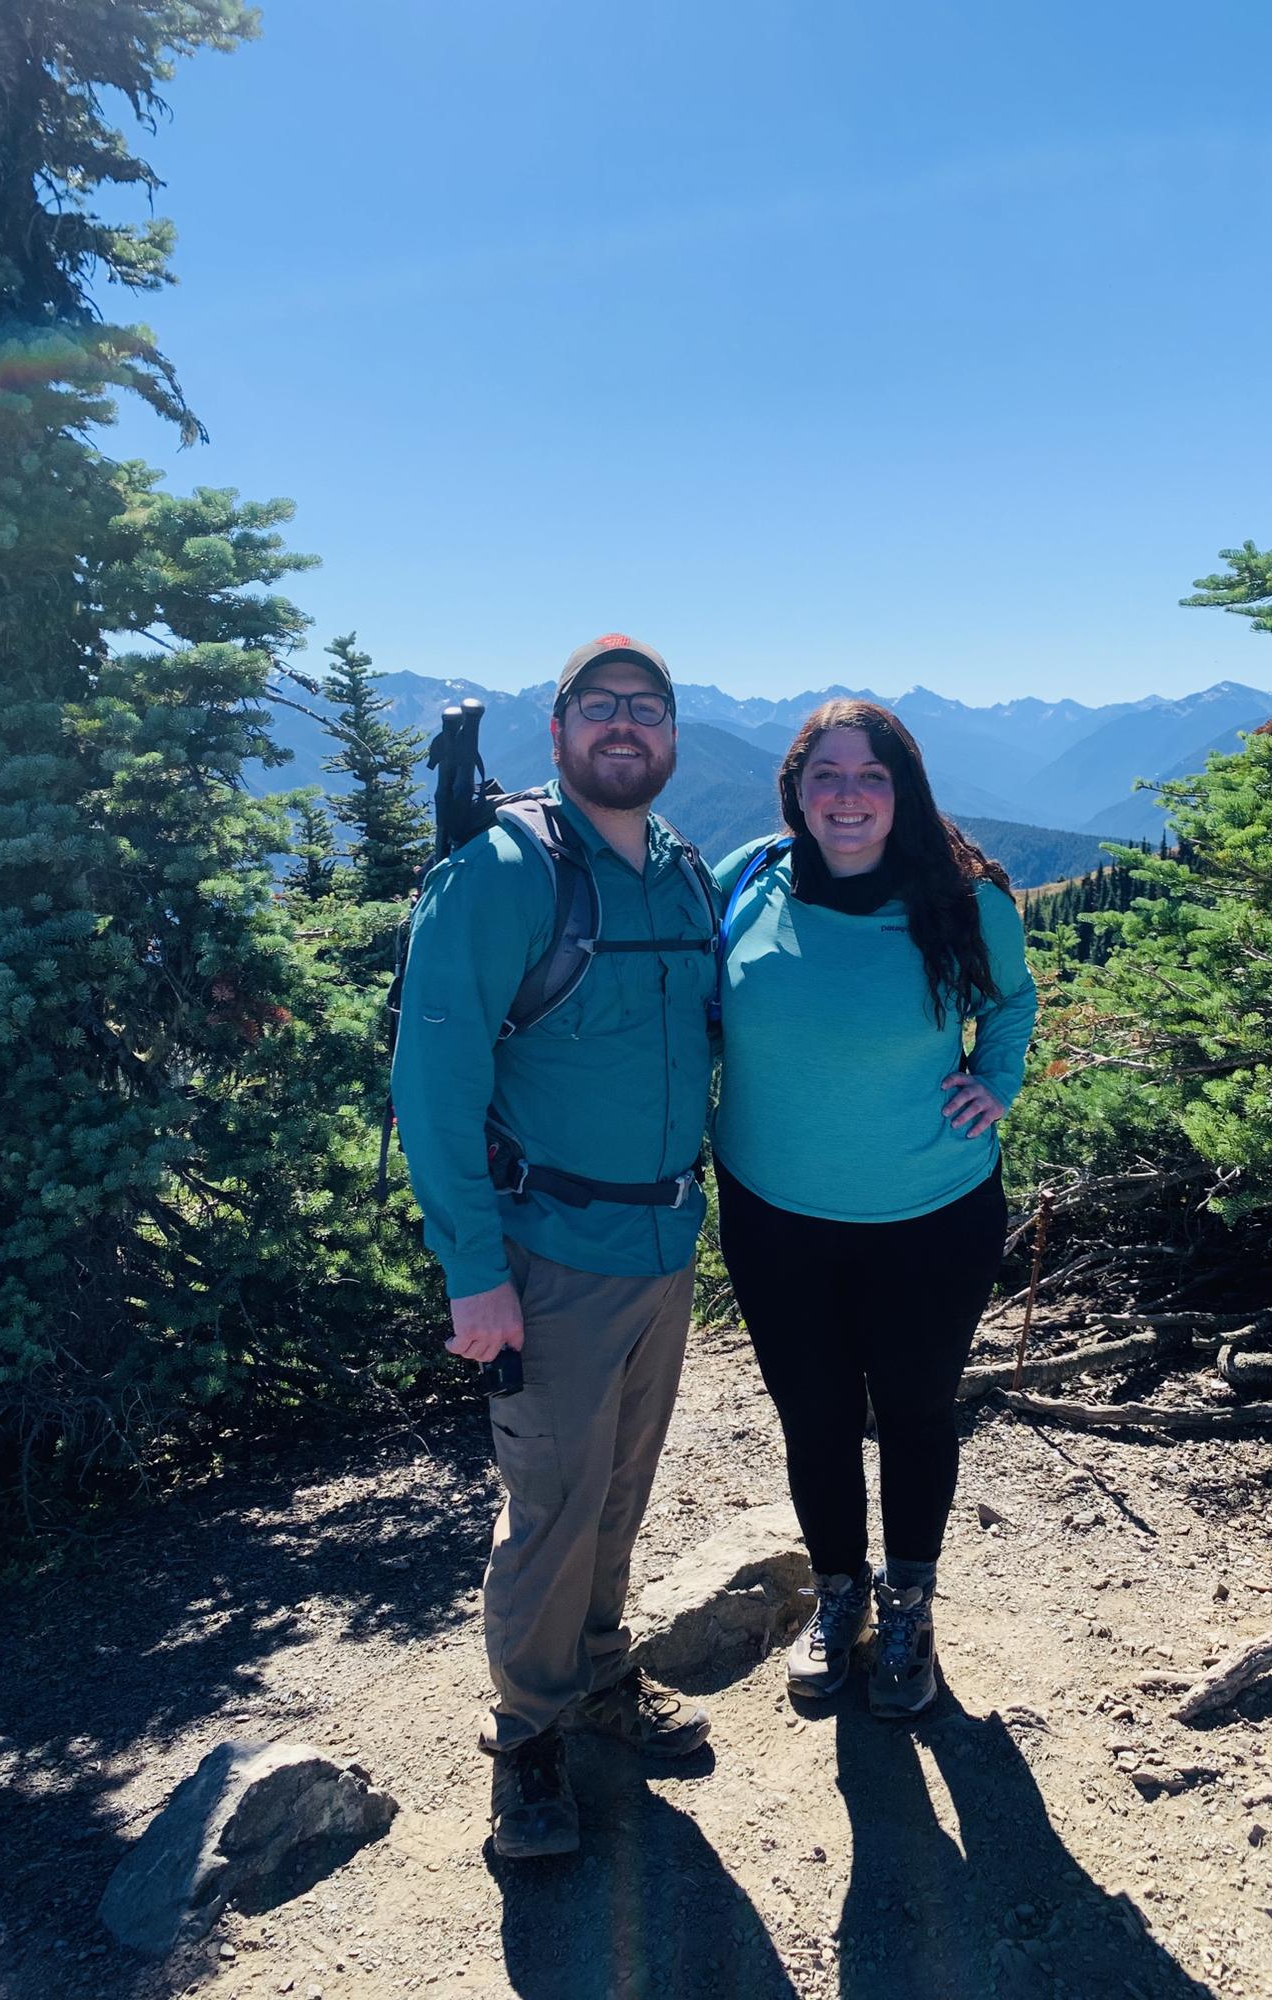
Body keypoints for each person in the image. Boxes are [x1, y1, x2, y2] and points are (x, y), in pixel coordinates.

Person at [392, 635, 717, 1859]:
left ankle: (598, 1675)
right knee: (550, 1503)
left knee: (617, 1492)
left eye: (647, 709)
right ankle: (527, 1742)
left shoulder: (683, 871)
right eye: (601, 708)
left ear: (672, 735)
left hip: (666, 1241)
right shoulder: (499, 875)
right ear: (559, 728)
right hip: (547, 1253)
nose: (624, 727)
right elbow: (434, 1079)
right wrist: (473, 1270)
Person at [711, 699, 1037, 1719]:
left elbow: (1013, 1000)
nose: (847, 795)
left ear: (903, 789)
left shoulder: (962, 896)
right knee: (812, 1415)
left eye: (871, 775)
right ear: (796, 790)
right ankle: (838, 1595)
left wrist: (999, 1079)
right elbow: (690, 1004)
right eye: (827, 774)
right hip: (774, 1213)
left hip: (932, 1210)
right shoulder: (746, 884)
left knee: (912, 1411)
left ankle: (909, 1605)